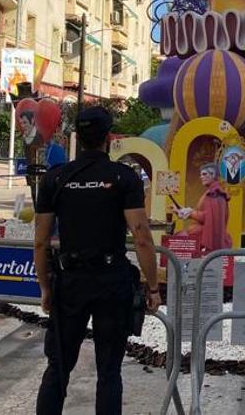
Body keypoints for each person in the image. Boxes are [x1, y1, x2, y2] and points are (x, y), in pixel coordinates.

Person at [33, 107, 160, 415]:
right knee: (109, 371)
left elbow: (40, 240)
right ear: (108, 137)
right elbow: (141, 235)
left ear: (79, 137)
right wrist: (153, 287)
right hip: (110, 281)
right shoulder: (122, 177)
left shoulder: (57, 178)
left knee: (58, 369)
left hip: (70, 282)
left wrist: (45, 287)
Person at [171, 163, 233, 254]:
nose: (201, 177)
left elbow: (209, 218)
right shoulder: (210, 193)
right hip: (200, 233)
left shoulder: (215, 194)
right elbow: (202, 213)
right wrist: (182, 210)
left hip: (208, 237)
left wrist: (189, 213)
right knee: (176, 239)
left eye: (204, 174)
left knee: (177, 240)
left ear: (213, 175)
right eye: (201, 174)